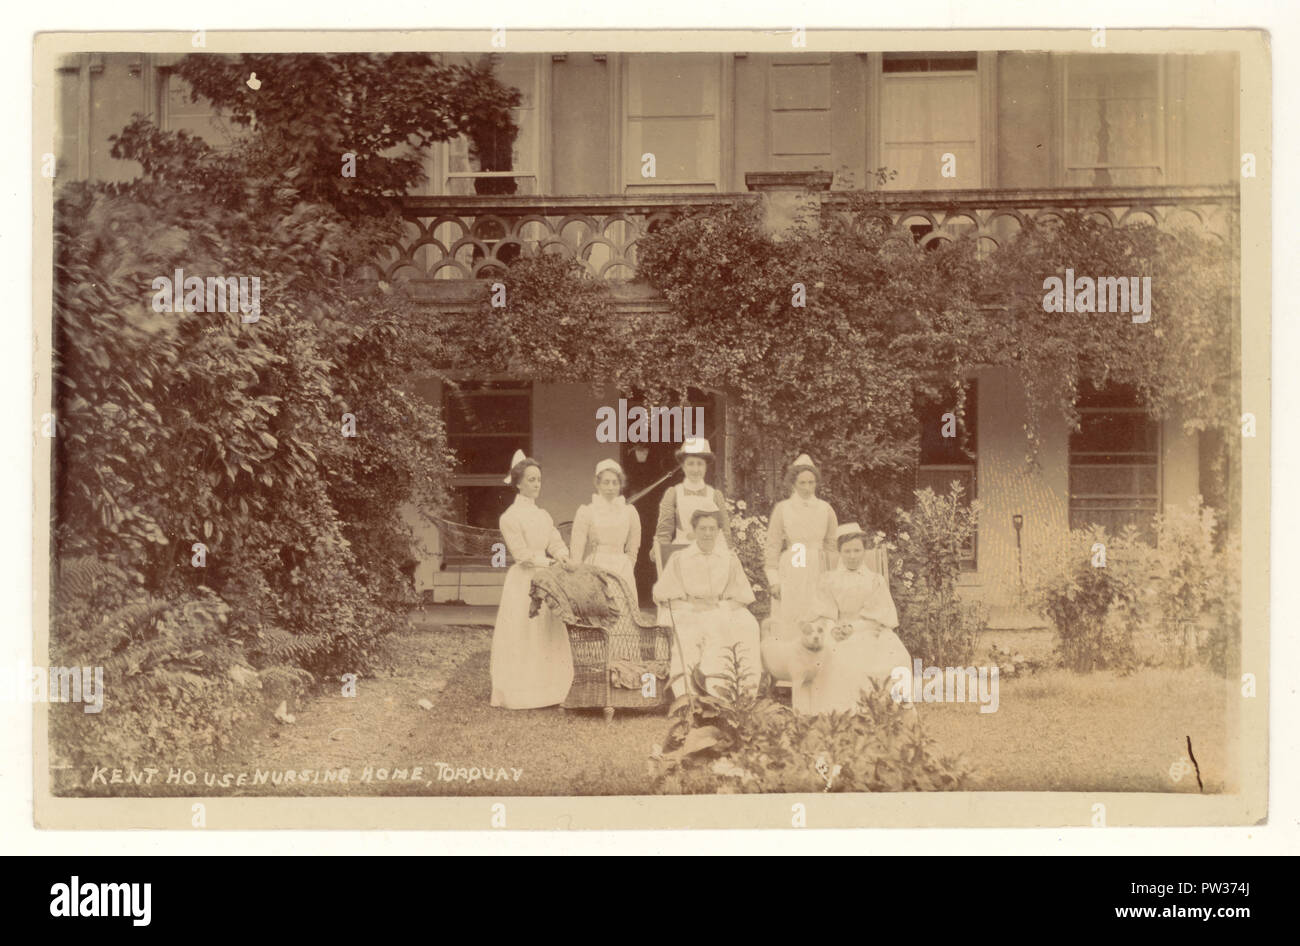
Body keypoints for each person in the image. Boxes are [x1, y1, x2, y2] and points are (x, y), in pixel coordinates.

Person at [489, 449, 575, 709]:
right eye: (530, 480)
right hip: (524, 580)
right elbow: (522, 555)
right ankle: (522, 690)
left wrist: (563, 556)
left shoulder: (543, 515)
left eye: (538, 479)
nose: (536, 484)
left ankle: (552, 688)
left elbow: (554, 541)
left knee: (547, 629)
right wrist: (547, 562)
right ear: (518, 483)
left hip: (546, 577)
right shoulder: (510, 518)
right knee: (524, 631)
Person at [652, 504, 762, 699]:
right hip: (689, 609)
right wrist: (692, 606)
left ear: (719, 531)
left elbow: (742, 596)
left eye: (712, 529)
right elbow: (665, 595)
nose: (708, 533)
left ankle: (739, 693)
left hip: (720, 608)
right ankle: (688, 697)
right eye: (702, 528)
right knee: (691, 634)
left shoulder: (728, 558)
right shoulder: (680, 558)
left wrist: (719, 606)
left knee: (748, 625)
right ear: (693, 531)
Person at [806, 522, 911, 714]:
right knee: (838, 656)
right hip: (837, 631)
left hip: (868, 630)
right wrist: (833, 629)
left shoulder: (874, 580)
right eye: (847, 551)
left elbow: (878, 616)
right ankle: (843, 710)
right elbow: (824, 613)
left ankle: (882, 706)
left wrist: (854, 628)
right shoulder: (829, 579)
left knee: (896, 655)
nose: (852, 556)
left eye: (857, 550)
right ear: (839, 552)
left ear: (864, 551)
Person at [763, 454, 838, 646]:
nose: (806, 487)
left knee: (819, 613)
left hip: (818, 567)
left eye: (811, 482)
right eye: (802, 482)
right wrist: (774, 580)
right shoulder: (783, 508)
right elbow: (772, 546)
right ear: (793, 483)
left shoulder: (825, 509)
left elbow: (831, 544)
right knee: (792, 616)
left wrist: (831, 575)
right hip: (793, 565)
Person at [570, 459, 640, 599]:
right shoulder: (586, 511)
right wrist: (577, 574)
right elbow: (577, 547)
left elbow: (634, 545)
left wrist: (627, 564)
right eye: (606, 482)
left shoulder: (629, 511)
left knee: (623, 611)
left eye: (615, 482)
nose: (610, 487)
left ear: (620, 485)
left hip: (622, 568)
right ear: (597, 484)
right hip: (596, 566)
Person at [655, 437, 731, 549]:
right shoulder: (674, 494)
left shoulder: (715, 495)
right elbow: (664, 532)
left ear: (706, 466)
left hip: (712, 555)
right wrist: (661, 553)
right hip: (683, 552)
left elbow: (725, 532)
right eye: (690, 464)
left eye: (700, 464)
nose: (695, 469)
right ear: (683, 466)